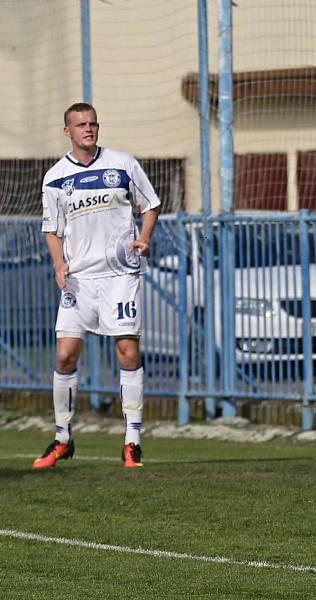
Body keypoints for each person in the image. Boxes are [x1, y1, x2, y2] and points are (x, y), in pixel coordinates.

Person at [34, 102, 160, 470]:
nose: (88, 129)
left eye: (93, 124)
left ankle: (132, 440)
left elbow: (149, 205)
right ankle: (62, 438)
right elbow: (51, 229)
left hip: (120, 275)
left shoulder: (122, 165)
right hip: (79, 280)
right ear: (67, 131)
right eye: (81, 125)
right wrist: (58, 264)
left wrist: (145, 237)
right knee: (64, 355)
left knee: (127, 352)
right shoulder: (55, 177)